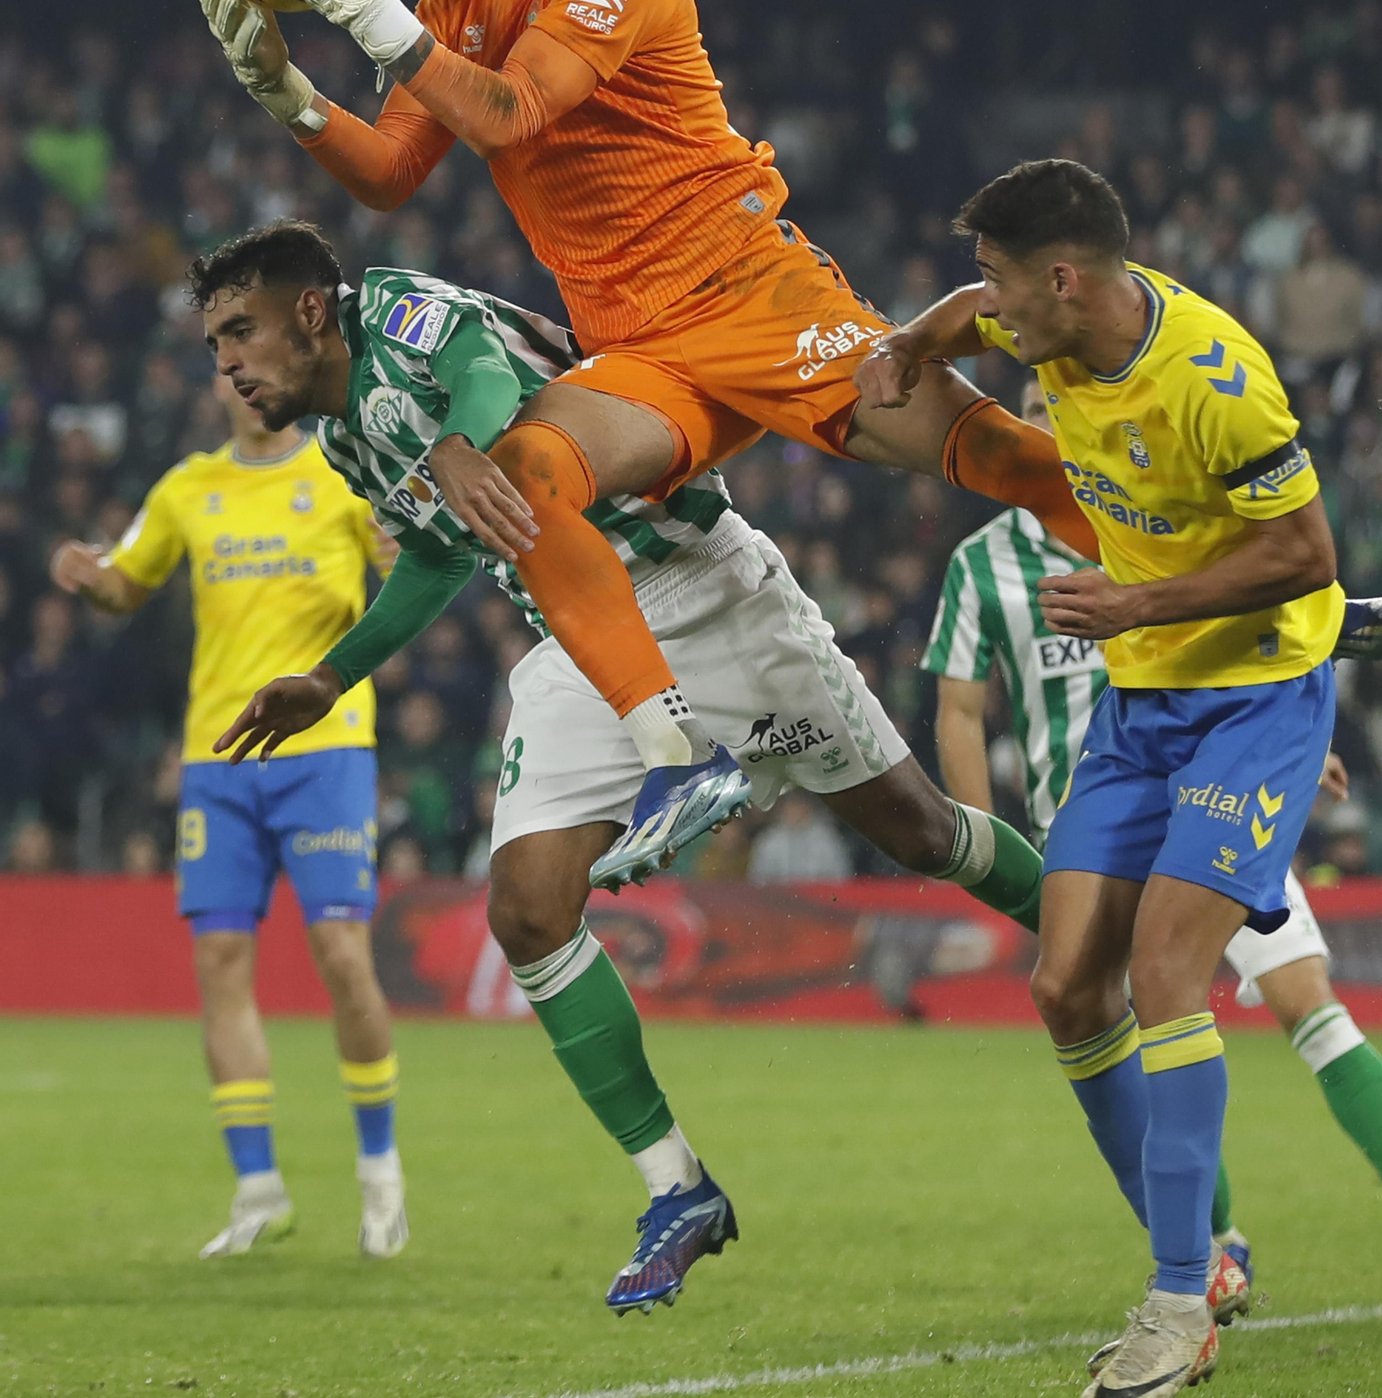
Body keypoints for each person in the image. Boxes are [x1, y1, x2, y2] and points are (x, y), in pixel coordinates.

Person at [192, 0, 1100, 893]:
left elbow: (515, 116)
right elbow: (388, 174)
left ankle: (1262, 595)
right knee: (524, 477)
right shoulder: (454, 8)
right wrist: (287, 92)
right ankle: (669, 744)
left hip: (753, 299)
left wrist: (370, 16)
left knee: (1005, 463)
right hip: (640, 352)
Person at [187, 220, 1049, 1315]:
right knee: (529, 910)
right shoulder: (347, 445)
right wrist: (333, 674)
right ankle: (675, 1186)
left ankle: (1079, 931)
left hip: (707, 587)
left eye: (239, 331)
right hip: (578, 636)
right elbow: (449, 553)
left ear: (311, 310)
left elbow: (487, 378)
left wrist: (461, 441)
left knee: (925, 836)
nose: (226, 364)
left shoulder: (402, 316)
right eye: (215, 344)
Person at [858, 157, 1345, 1398]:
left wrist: (1137, 600)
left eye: (1007, 285)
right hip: (1142, 706)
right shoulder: (1047, 326)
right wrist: (909, 344)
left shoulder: (1215, 379)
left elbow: (1305, 553)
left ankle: (1181, 1295)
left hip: (1253, 698)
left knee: (1168, 975)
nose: (993, 308)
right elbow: (966, 313)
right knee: (1068, 984)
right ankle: (1198, 1255)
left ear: (1064, 282)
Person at [924, 380, 1382, 1310]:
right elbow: (958, 708)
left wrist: (1293, 751)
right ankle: (1219, 1246)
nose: (1051, 432)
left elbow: (1244, 625)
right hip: (1095, 838)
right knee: (1154, 1025)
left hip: (1214, 794)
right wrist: (992, 852)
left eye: (1060, 417)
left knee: (1307, 1001)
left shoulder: (1144, 525)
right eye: (1033, 419)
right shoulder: (982, 567)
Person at [49, 375, 404, 1261]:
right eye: (229, 363)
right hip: (217, 760)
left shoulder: (342, 471)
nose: (248, 385)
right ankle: (258, 1192)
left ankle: (380, 1174)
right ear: (217, 385)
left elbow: (406, 569)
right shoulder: (186, 488)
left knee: (341, 955)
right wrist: (92, 580)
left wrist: (402, 544)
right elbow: (128, 585)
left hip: (325, 750)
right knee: (218, 959)